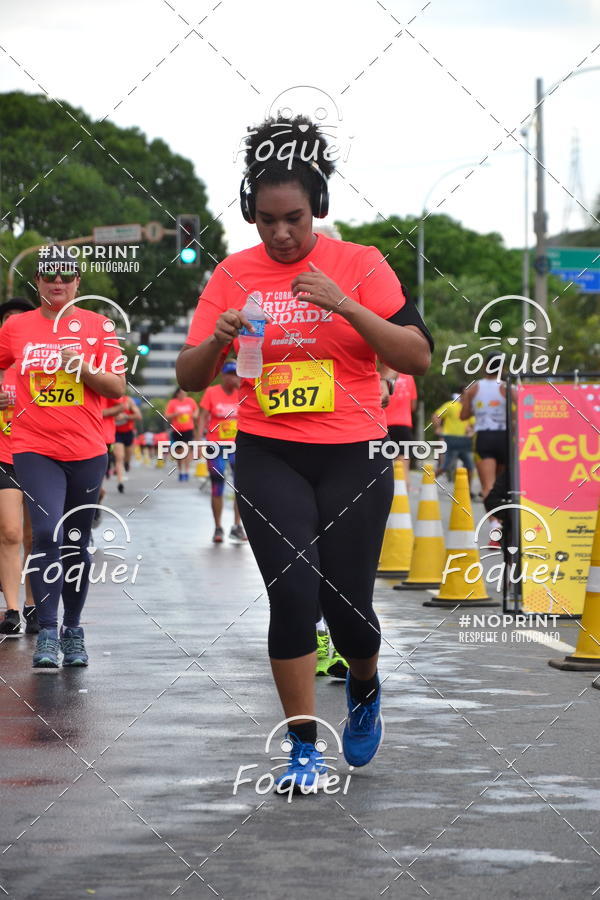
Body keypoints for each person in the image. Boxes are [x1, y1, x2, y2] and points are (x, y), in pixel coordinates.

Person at [177, 115, 432, 792]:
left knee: (348, 609)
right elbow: (190, 377)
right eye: (266, 220)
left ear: (318, 205)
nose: (281, 234)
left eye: (293, 218)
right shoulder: (232, 274)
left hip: (354, 453)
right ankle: (301, 749)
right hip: (269, 453)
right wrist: (217, 338)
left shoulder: (361, 263)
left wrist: (346, 305)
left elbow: (417, 357)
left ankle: (367, 683)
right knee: (292, 596)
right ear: (249, 214)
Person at [0, 250, 125, 667]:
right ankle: (47, 632)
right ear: (37, 280)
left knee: (75, 541)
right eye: (49, 276)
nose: (58, 283)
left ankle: (73, 629)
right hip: (34, 447)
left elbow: (116, 388)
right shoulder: (17, 326)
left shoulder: (97, 326)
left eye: (66, 276)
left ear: (77, 283)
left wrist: (84, 368)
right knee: (47, 532)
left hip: (87, 449)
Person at [0, 298, 37, 636]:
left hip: (38, 454)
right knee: (10, 532)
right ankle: (11, 609)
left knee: (32, 535)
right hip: (4, 456)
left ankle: (32, 603)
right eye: (6, 322)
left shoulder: (39, 362)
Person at [198, 360, 247, 543]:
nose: (233, 377)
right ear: (223, 375)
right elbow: (202, 416)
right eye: (229, 374)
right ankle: (218, 527)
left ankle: (237, 526)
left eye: (236, 373)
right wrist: (198, 441)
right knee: (217, 484)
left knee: (240, 487)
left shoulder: (244, 392)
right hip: (215, 444)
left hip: (238, 445)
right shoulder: (212, 392)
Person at [460, 354, 507, 499]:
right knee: (502, 484)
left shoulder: (474, 388)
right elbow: (522, 409)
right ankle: (504, 519)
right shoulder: (508, 387)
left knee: (488, 486)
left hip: (484, 437)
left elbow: (463, 416)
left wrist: (478, 410)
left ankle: (494, 522)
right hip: (504, 437)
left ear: (485, 367)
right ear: (503, 368)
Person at [432, 388, 475, 491]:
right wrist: (438, 428)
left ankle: (467, 491)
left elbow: (474, 423)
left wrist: (471, 431)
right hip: (450, 440)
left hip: (464, 441)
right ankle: (428, 482)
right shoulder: (451, 405)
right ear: (461, 394)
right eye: (466, 394)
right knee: (444, 467)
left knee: (470, 467)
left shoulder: (469, 408)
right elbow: (436, 416)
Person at [380, 367, 417, 484]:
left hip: (383, 425)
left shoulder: (380, 377)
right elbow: (413, 406)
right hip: (403, 425)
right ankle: (403, 497)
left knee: (381, 468)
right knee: (403, 468)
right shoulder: (409, 378)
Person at [165, 387, 199, 481]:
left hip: (188, 429)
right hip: (177, 430)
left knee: (186, 450)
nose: (184, 395)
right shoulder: (172, 403)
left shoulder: (190, 401)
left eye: (185, 394)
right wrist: (174, 414)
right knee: (179, 453)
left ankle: (186, 471)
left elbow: (196, 410)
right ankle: (180, 471)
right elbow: (167, 415)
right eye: (182, 393)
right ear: (177, 394)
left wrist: (195, 414)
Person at [113, 394, 141, 492]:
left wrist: (126, 416)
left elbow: (138, 416)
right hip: (115, 433)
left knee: (127, 456)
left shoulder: (128, 400)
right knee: (119, 457)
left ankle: (127, 463)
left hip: (128, 432)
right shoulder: (107, 398)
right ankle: (120, 482)